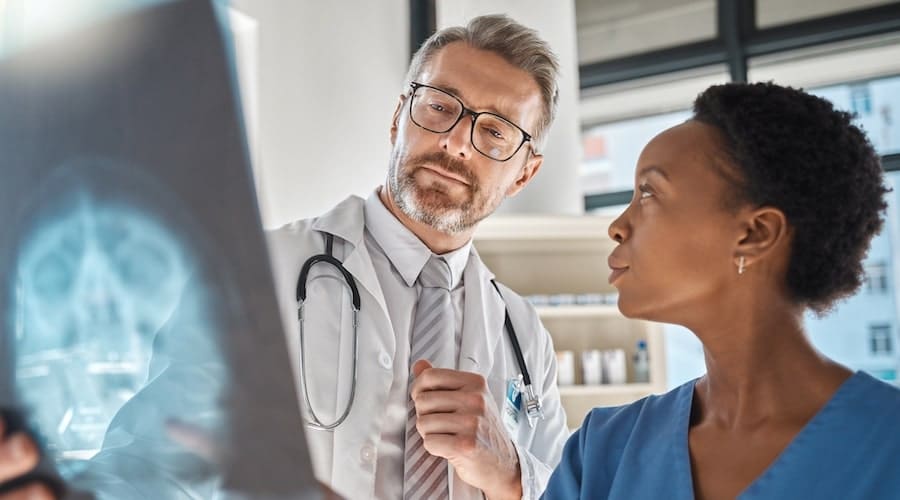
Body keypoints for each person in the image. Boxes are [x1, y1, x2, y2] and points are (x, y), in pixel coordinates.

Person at [1, 14, 569, 500]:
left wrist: (513, 475)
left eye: (495, 132)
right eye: (440, 107)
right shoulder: (262, 269)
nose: (456, 142)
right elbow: (158, 456)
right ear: (399, 117)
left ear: (525, 172)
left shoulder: (523, 333)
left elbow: (572, 488)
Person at [541, 82, 900, 499]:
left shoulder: (889, 448)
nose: (617, 226)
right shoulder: (603, 450)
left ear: (754, 233)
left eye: (649, 192)